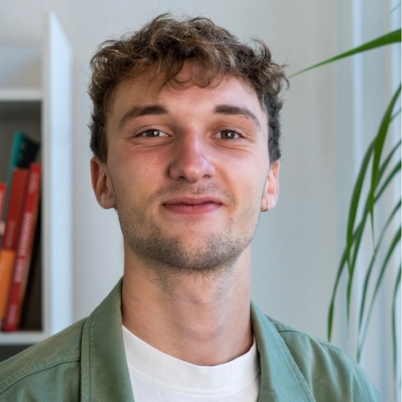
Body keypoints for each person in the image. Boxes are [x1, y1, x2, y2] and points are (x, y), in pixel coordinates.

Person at [0, 13, 379, 401]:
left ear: (271, 181)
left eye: (229, 133)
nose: (192, 165)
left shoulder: (343, 390)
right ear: (103, 180)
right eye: (152, 133)